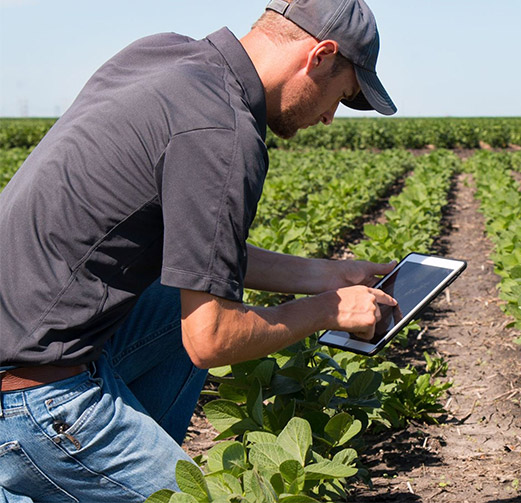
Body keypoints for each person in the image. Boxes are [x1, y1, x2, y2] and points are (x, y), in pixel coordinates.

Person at [0, 0, 398, 500]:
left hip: (22, 351)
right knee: (208, 494)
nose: (329, 118)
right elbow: (211, 340)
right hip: (34, 401)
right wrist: (328, 310)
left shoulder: (159, 56)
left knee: (177, 297)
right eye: (341, 95)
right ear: (319, 55)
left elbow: (201, 259)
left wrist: (329, 276)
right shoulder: (225, 133)